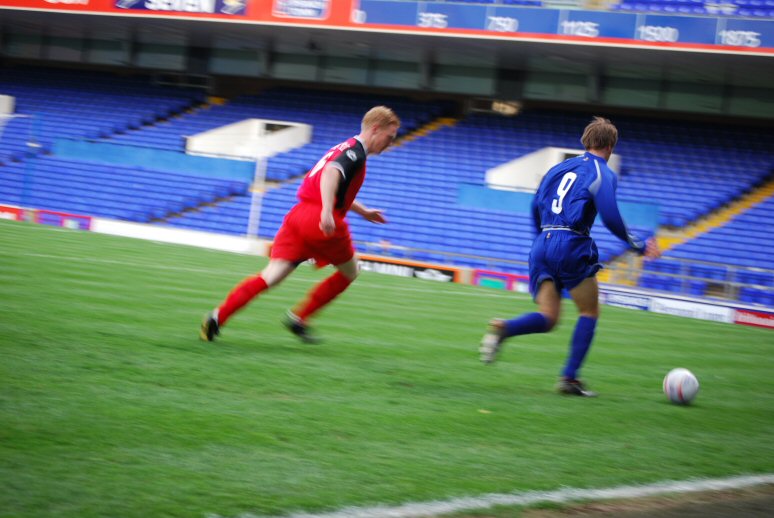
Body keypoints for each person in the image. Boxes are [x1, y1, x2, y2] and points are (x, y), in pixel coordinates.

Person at [479, 116, 660, 397]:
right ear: (610, 146)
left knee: (549, 317)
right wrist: (638, 244)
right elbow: (611, 217)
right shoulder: (602, 173)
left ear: (585, 142)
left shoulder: (557, 169)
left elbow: (535, 205)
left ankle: (505, 329)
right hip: (571, 242)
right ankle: (569, 378)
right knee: (589, 311)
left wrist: (542, 240)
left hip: (543, 242)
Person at [201, 106, 401, 343]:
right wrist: (326, 211)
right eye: (389, 137)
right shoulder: (355, 152)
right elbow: (331, 173)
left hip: (298, 216)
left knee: (271, 276)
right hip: (320, 220)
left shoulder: (344, 147)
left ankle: (218, 316)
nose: (389, 144)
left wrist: (363, 211)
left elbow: (334, 183)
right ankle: (300, 318)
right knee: (351, 271)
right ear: (375, 129)